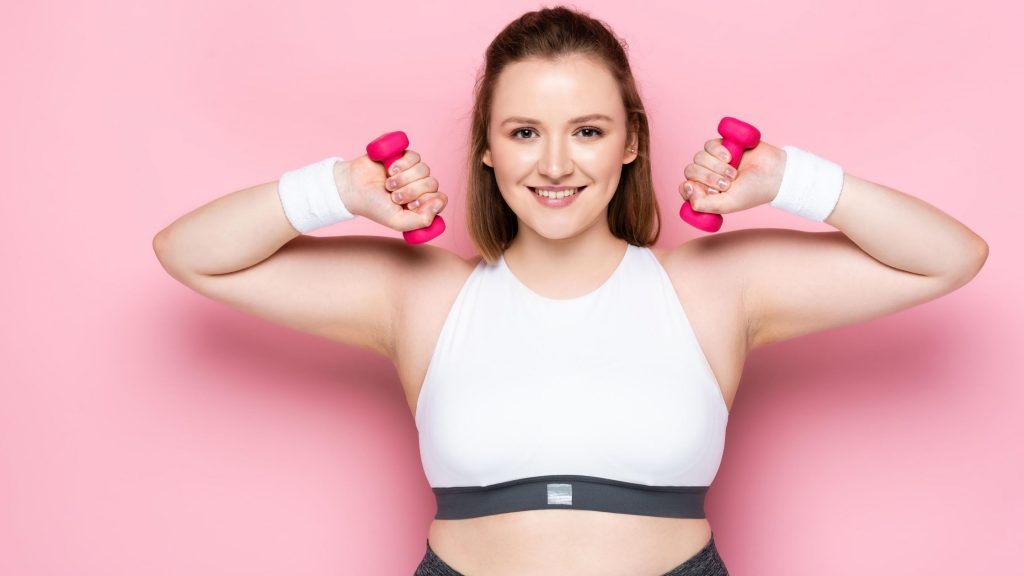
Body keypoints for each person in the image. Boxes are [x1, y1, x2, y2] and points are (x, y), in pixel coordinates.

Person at [152, 6, 988, 576]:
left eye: (588, 131)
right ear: (486, 149)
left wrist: (791, 179)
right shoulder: (421, 297)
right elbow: (192, 254)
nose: (555, 165)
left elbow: (947, 258)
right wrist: (339, 189)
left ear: (630, 142)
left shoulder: (714, 287)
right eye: (524, 133)